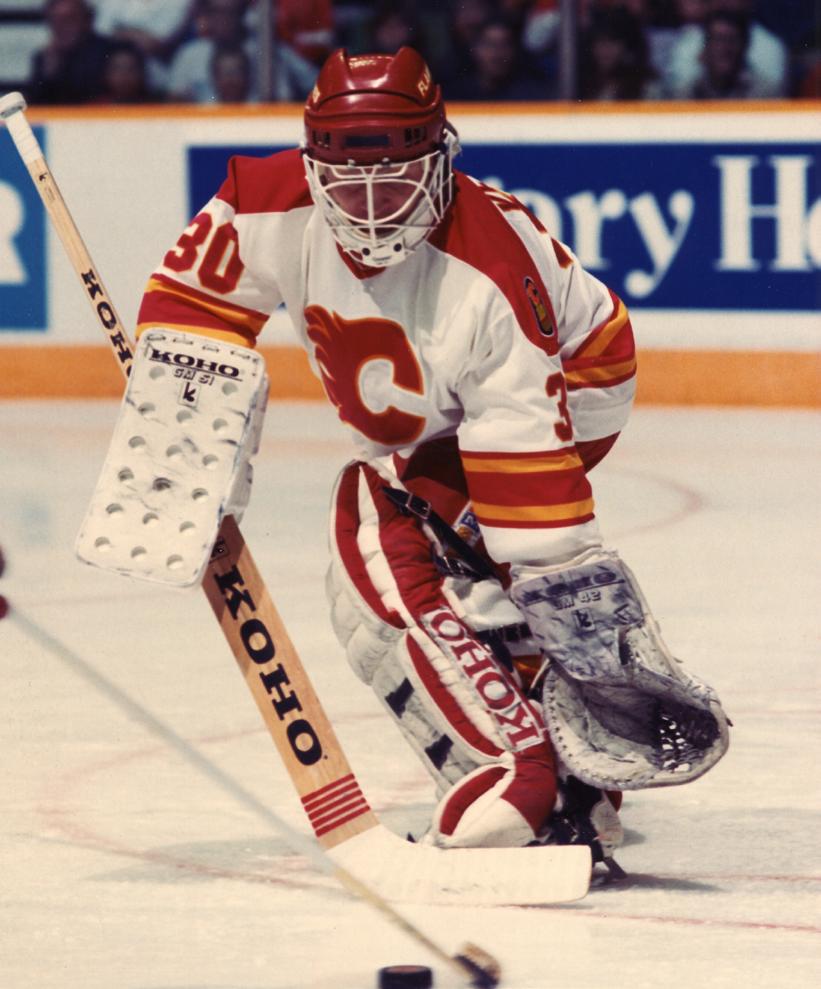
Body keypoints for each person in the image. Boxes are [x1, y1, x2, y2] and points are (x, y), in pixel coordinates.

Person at [128, 47, 730, 857]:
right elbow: (192, 304)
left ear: (441, 156)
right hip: (433, 413)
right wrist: (187, 439)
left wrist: (557, 584)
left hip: (572, 378)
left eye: (396, 178)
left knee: (380, 536)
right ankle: (573, 782)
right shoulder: (261, 200)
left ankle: (515, 772)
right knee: (453, 565)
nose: (372, 208)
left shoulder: (484, 273)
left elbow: (526, 475)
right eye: (348, 182)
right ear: (311, 166)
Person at [26, 0, 118, 105]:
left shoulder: (109, 50)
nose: (62, 26)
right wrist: (49, 74)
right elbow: (35, 103)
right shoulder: (44, 57)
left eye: (69, 19)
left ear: (86, 20)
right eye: (56, 20)